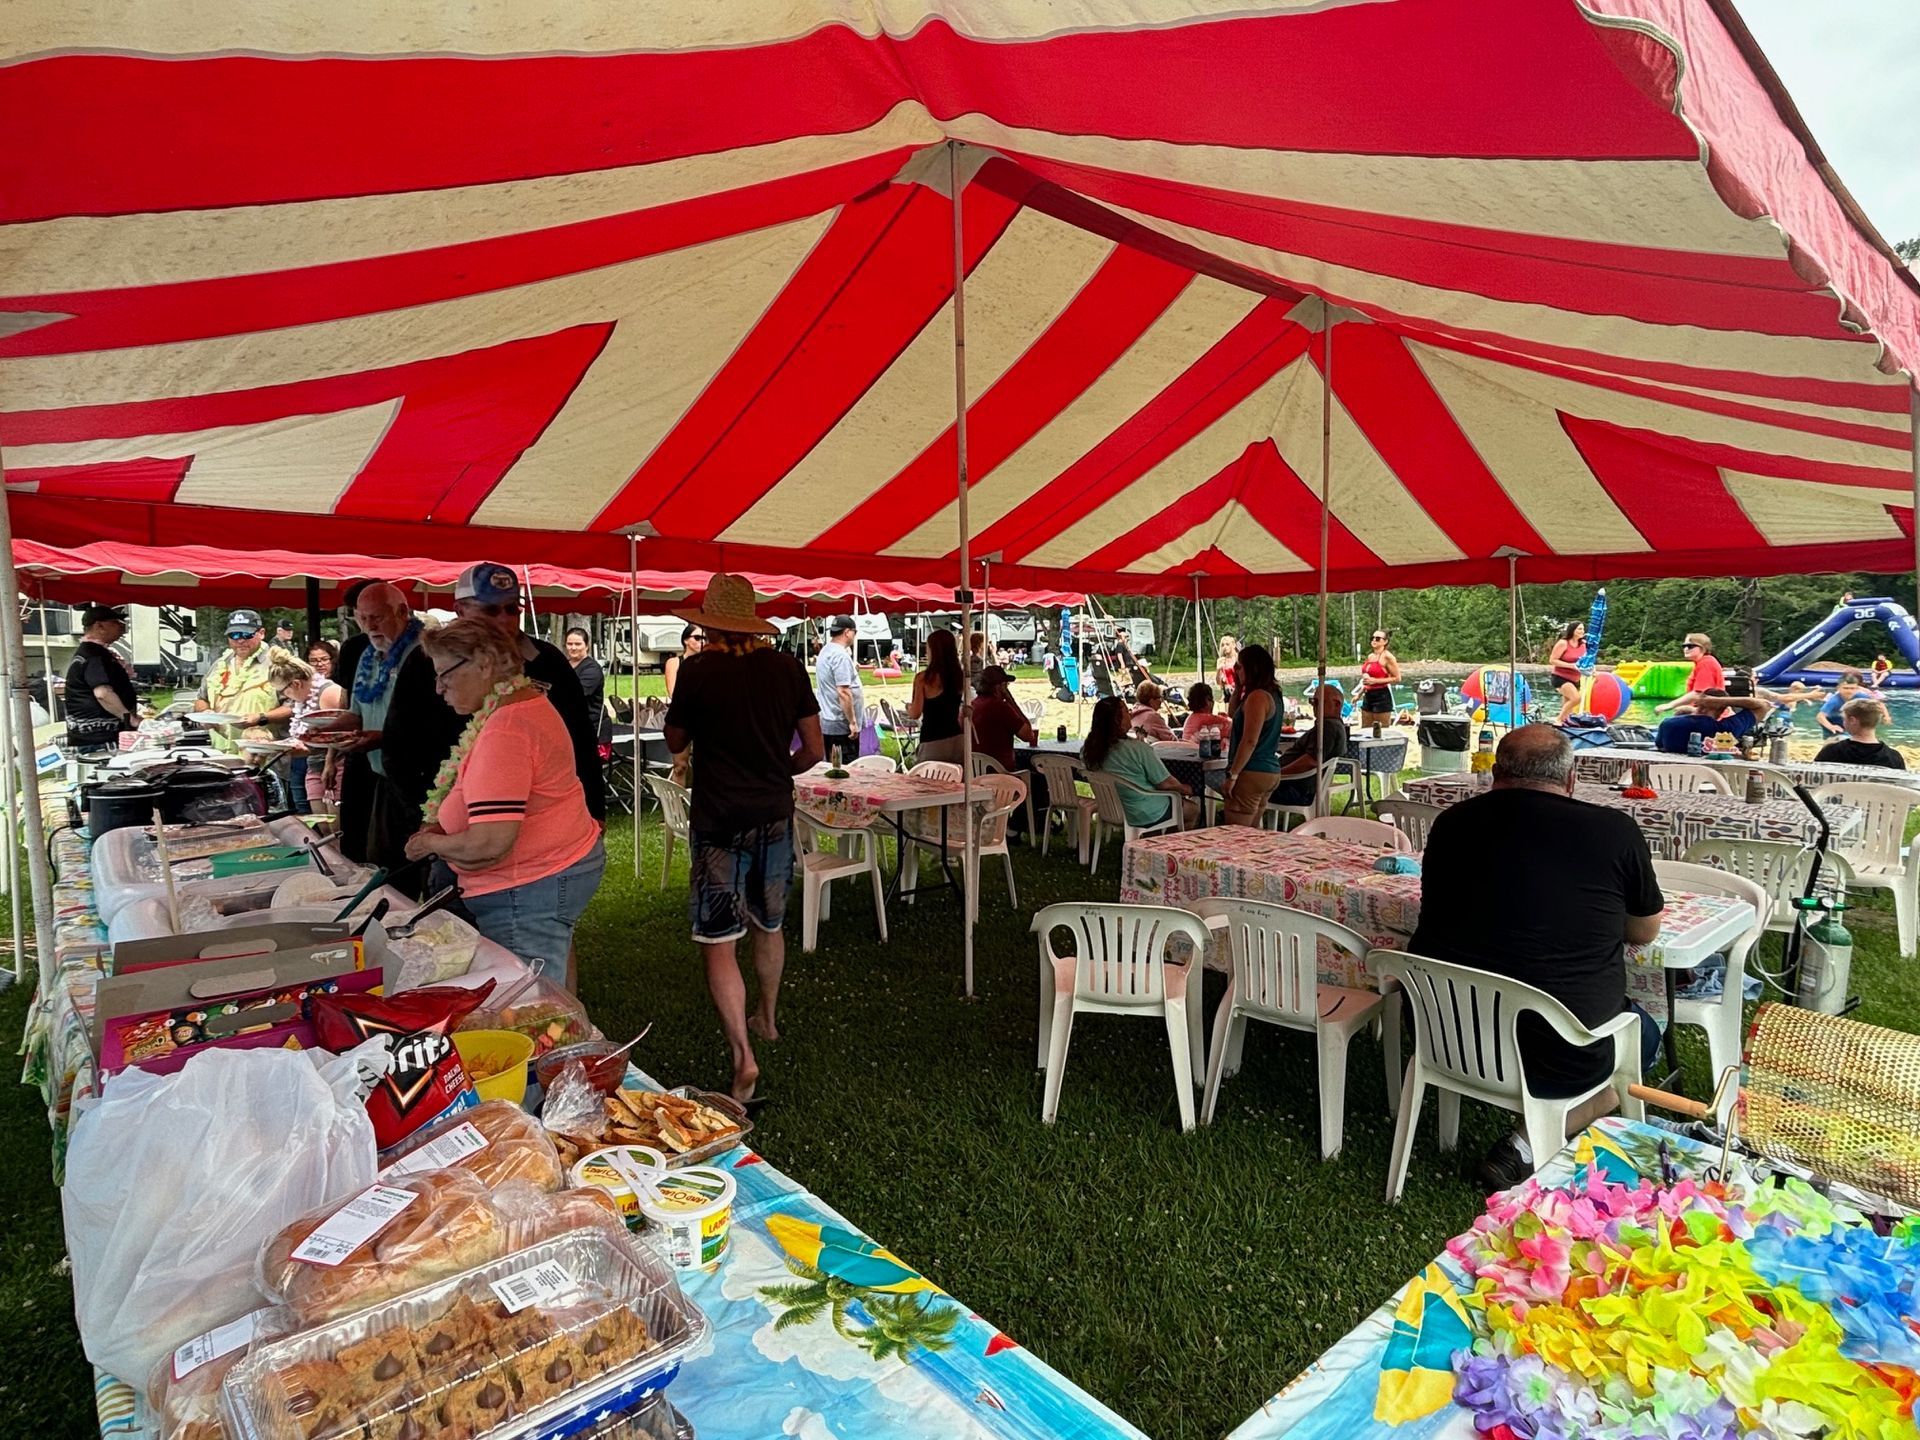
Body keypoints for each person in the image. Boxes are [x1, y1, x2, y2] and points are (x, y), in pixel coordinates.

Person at [1410, 725, 1665, 1189]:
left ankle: (1527, 1141)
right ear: (1571, 780)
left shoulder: (1451, 824)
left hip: (1449, 1034)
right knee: (1646, 1032)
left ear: (1496, 775)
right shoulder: (1615, 831)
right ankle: (1527, 1142)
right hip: (1565, 1054)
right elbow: (1645, 931)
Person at [663, 573, 823, 1103]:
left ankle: (741, 1054)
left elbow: (676, 739)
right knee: (769, 924)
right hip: (774, 811)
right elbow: (815, 751)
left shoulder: (697, 672)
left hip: (717, 819)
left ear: (709, 624)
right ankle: (768, 1018)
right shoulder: (786, 667)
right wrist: (778, 767)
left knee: (719, 940)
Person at [403, 620, 606, 964]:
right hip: (541, 876)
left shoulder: (508, 728)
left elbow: (490, 843)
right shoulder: (518, 706)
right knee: (546, 986)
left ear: (483, 664)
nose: (439, 688)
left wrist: (429, 844)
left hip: (526, 886)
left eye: (444, 675)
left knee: (526, 1005)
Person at [454, 564, 605, 823]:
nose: (504, 618)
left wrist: (594, 808)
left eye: (512, 609)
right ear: (460, 610)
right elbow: (407, 744)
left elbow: (580, 734)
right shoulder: (433, 661)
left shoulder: (548, 660)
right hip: (461, 814)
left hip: (542, 811)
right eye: (490, 609)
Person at [334, 583, 464, 875]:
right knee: (380, 858)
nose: (369, 626)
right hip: (380, 776)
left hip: (421, 780)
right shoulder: (367, 655)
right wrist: (323, 729)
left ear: (403, 611)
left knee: (413, 863)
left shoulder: (425, 654)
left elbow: (439, 725)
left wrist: (381, 738)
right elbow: (356, 713)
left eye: (377, 617)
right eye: (362, 618)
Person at [1081, 696, 1197, 830]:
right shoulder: (1138, 749)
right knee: (1192, 810)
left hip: (1112, 808)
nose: (1130, 713)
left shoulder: (1088, 750)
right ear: (1116, 719)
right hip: (1146, 812)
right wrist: (1187, 789)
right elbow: (1166, 784)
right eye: (1125, 710)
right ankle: (1169, 844)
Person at [194, 609, 293, 749]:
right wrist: (205, 713)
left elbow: (294, 706)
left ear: (262, 633)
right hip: (222, 750)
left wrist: (262, 718)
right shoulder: (219, 664)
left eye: (247, 634)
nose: (240, 640)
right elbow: (201, 698)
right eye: (234, 635)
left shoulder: (277, 664)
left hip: (263, 751)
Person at [1219, 644, 1285, 825]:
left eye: (1239, 666)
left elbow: (1249, 740)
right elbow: (1233, 714)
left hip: (1251, 770)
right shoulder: (1273, 695)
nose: (1235, 670)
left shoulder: (1257, 697)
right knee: (1251, 835)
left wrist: (1233, 775)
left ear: (1251, 668)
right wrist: (1238, 687)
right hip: (1268, 771)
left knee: (1236, 836)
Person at [62, 604, 138, 747]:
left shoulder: (90, 652)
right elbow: (103, 693)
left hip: (93, 736)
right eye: (116, 623)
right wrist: (130, 719)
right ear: (100, 626)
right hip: (98, 738)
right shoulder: (94, 655)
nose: (122, 628)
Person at [288, 643, 346, 815]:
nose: (319, 664)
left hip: (336, 761)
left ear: (333, 660)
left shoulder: (332, 689)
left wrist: (330, 761)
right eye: (313, 661)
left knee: (335, 824)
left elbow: (339, 729)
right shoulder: (305, 691)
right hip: (312, 760)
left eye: (324, 659)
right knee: (318, 819)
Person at [1271, 684, 1350, 810]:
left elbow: (1310, 761)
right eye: (1312, 701)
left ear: (1337, 704)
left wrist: (1276, 774)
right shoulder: (1333, 726)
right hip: (1298, 785)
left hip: (1294, 788)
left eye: (1318, 702)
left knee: (1246, 787)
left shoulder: (1327, 728)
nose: (1314, 706)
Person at [910, 629, 967, 765]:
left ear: (933, 650)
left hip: (932, 740)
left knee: (928, 783)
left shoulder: (923, 678)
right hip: (957, 738)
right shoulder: (960, 676)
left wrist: (908, 707)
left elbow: (915, 713)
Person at [814, 616, 864, 765]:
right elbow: (843, 691)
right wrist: (852, 722)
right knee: (846, 769)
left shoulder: (826, 651)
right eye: (855, 632)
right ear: (847, 632)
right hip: (841, 724)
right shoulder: (840, 655)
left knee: (833, 766)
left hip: (829, 719)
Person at [969, 665, 1035, 772]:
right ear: (1000, 687)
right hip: (1001, 772)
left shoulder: (971, 706)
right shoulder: (1001, 708)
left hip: (975, 772)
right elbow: (1028, 735)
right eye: (1006, 685)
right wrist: (1011, 701)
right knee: (1039, 778)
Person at [1815, 697, 1906, 770]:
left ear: (1852, 720)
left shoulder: (1831, 752)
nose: (1843, 723)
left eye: (1844, 719)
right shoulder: (1894, 758)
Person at [1654, 633, 1724, 717]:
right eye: (1684, 646)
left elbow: (1699, 693)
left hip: (1714, 717)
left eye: (1690, 646)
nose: (1686, 649)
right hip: (1704, 713)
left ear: (1703, 648)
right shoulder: (1701, 663)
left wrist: (1670, 705)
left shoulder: (1706, 663)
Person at [564, 626, 611, 743]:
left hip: (591, 728)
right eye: (569, 644)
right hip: (569, 726)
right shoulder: (563, 665)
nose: (573, 647)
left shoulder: (592, 669)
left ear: (586, 646)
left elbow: (575, 695)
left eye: (578, 644)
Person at [1358, 629, 1401, 730]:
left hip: (1381, 695)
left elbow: (1397, 678)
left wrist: (1375, 681)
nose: (1374, 640)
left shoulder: (1388, 657)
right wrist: (1359, 694)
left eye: (1377, 638)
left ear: (1385, 642)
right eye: (1372, 638)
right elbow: (1368, 679)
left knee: (1380, 729)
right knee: (1365, 729)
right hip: (1368, 694)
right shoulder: (1370, 656)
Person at [1548, 621, 1586, 725]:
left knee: (1568, 706)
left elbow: (1586, 661)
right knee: (1576, 698)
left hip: (1575, 679)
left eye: (1583, 629)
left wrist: (1593, 671)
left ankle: (1565, 724)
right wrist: (1571, 666)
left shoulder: (1583, 645)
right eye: (1579, 629)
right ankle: (1558, 719)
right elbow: (1552, 660)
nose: (1582, 631)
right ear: (1572, 630)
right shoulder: (1563, 643)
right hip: (1561, 677)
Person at [1818, 672, 1866, 736]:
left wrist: (1884, 715)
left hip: (1848, 720)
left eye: (1852, 688)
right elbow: (1820, 716)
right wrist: (1830, 726)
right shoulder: (1834, 700)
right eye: (1845, 688)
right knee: (1833, 742)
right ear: (1838, 688)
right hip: (1832, 721)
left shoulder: (1861, 696)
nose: (1849, 691)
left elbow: (1877, 704)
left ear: (1857, 689)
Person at [663, 623, 704, 698]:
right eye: (697, 638)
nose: (702, 642)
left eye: (704, 638)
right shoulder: (674, 662)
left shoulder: (706, 663)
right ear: (686, 640)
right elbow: (672, 692)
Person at [1215, 634, 1239, 701]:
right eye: (1222, 645)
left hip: (1239, 691)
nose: (1225, 647)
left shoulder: (1238, 658)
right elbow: (1218, 682)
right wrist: (1218, 669)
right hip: (1227, 693)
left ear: (1233, 645)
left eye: (1227, 644)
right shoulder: (1221, 660)